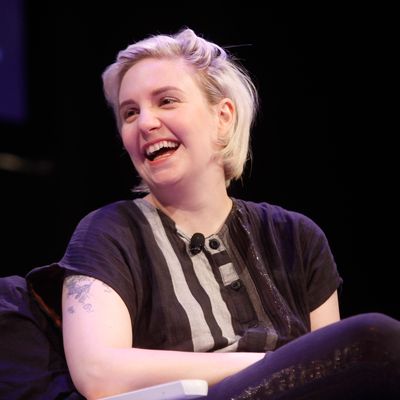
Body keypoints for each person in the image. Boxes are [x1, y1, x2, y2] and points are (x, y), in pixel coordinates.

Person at [13, 27, 399, 399]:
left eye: (166, 101)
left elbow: (332, 380)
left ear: (223, 116)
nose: (145, 122)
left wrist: (304, 366)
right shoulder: (108, 233)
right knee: (372, 338)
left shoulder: (296, 238)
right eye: (129, 113)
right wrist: (275, 364)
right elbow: (99, 373)